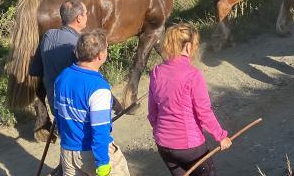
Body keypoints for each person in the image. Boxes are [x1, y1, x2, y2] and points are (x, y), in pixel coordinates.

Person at [148, 24, 232, 176]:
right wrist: (221, 136)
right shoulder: (193, 75)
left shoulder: (156, 72)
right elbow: (204, 112)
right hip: (189, 146)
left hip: (164, 145)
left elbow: (152, 112)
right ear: (188, 46)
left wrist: (159, 132)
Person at [55, 29, 130, 176]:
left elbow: (58, 116)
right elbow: (100, 131)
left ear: (77, 52)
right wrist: (102, 163)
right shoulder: (98, 88)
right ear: (101, 55)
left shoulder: (62, 77)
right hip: (89, 153)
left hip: (68, 151)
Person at [30, 1, 89, 121]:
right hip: (78, 110)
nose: (88, 16)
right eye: (86, 13)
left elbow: (34, 70)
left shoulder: (48, 36)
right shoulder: (80, 45)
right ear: (79, 18)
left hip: (55, 106)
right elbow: (90, 82)